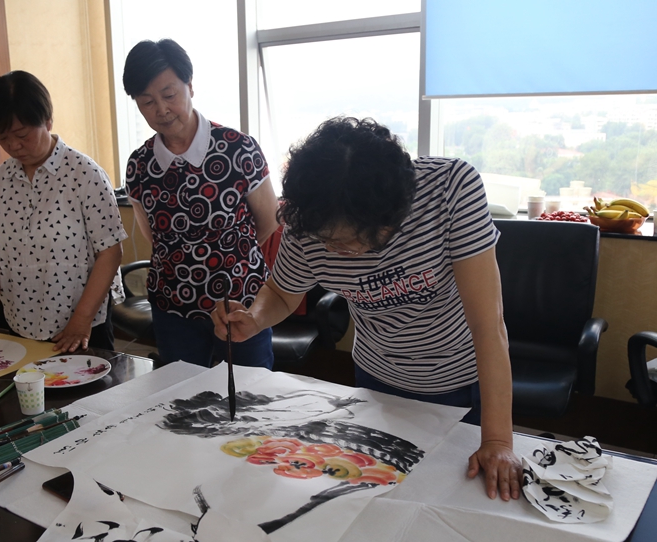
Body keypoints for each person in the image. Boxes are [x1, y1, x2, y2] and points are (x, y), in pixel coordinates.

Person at [212, 116, 522, 501]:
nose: (338, 252)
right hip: (377, 381)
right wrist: (254, 318)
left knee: (453, 497)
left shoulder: (449, 189)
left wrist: (497, 440)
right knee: (383, 496)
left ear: (392, 216)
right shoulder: (307, 219)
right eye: (327, 241)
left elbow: (488, 326)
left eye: (350, 241)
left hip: (460, 381)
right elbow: (282, 293)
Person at [122, 39, 279, 369]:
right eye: (147, 102)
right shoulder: (139, 164)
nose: (161, 110)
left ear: (190, 86)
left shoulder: (238, 149)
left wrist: (230, 258)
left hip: (240, 303)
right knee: (181, 394)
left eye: (169, 95)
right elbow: (153, 236)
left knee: (251, 392)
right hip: (172, 305)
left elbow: (268, 220)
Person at [0, 71, 127, 352]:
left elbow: (110, 252)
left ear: (47, 121)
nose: (14, 146)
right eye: (3, 138)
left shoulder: (85, 174)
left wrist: (82, 320)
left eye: (22, 134)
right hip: (18, 321)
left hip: (80, 327)